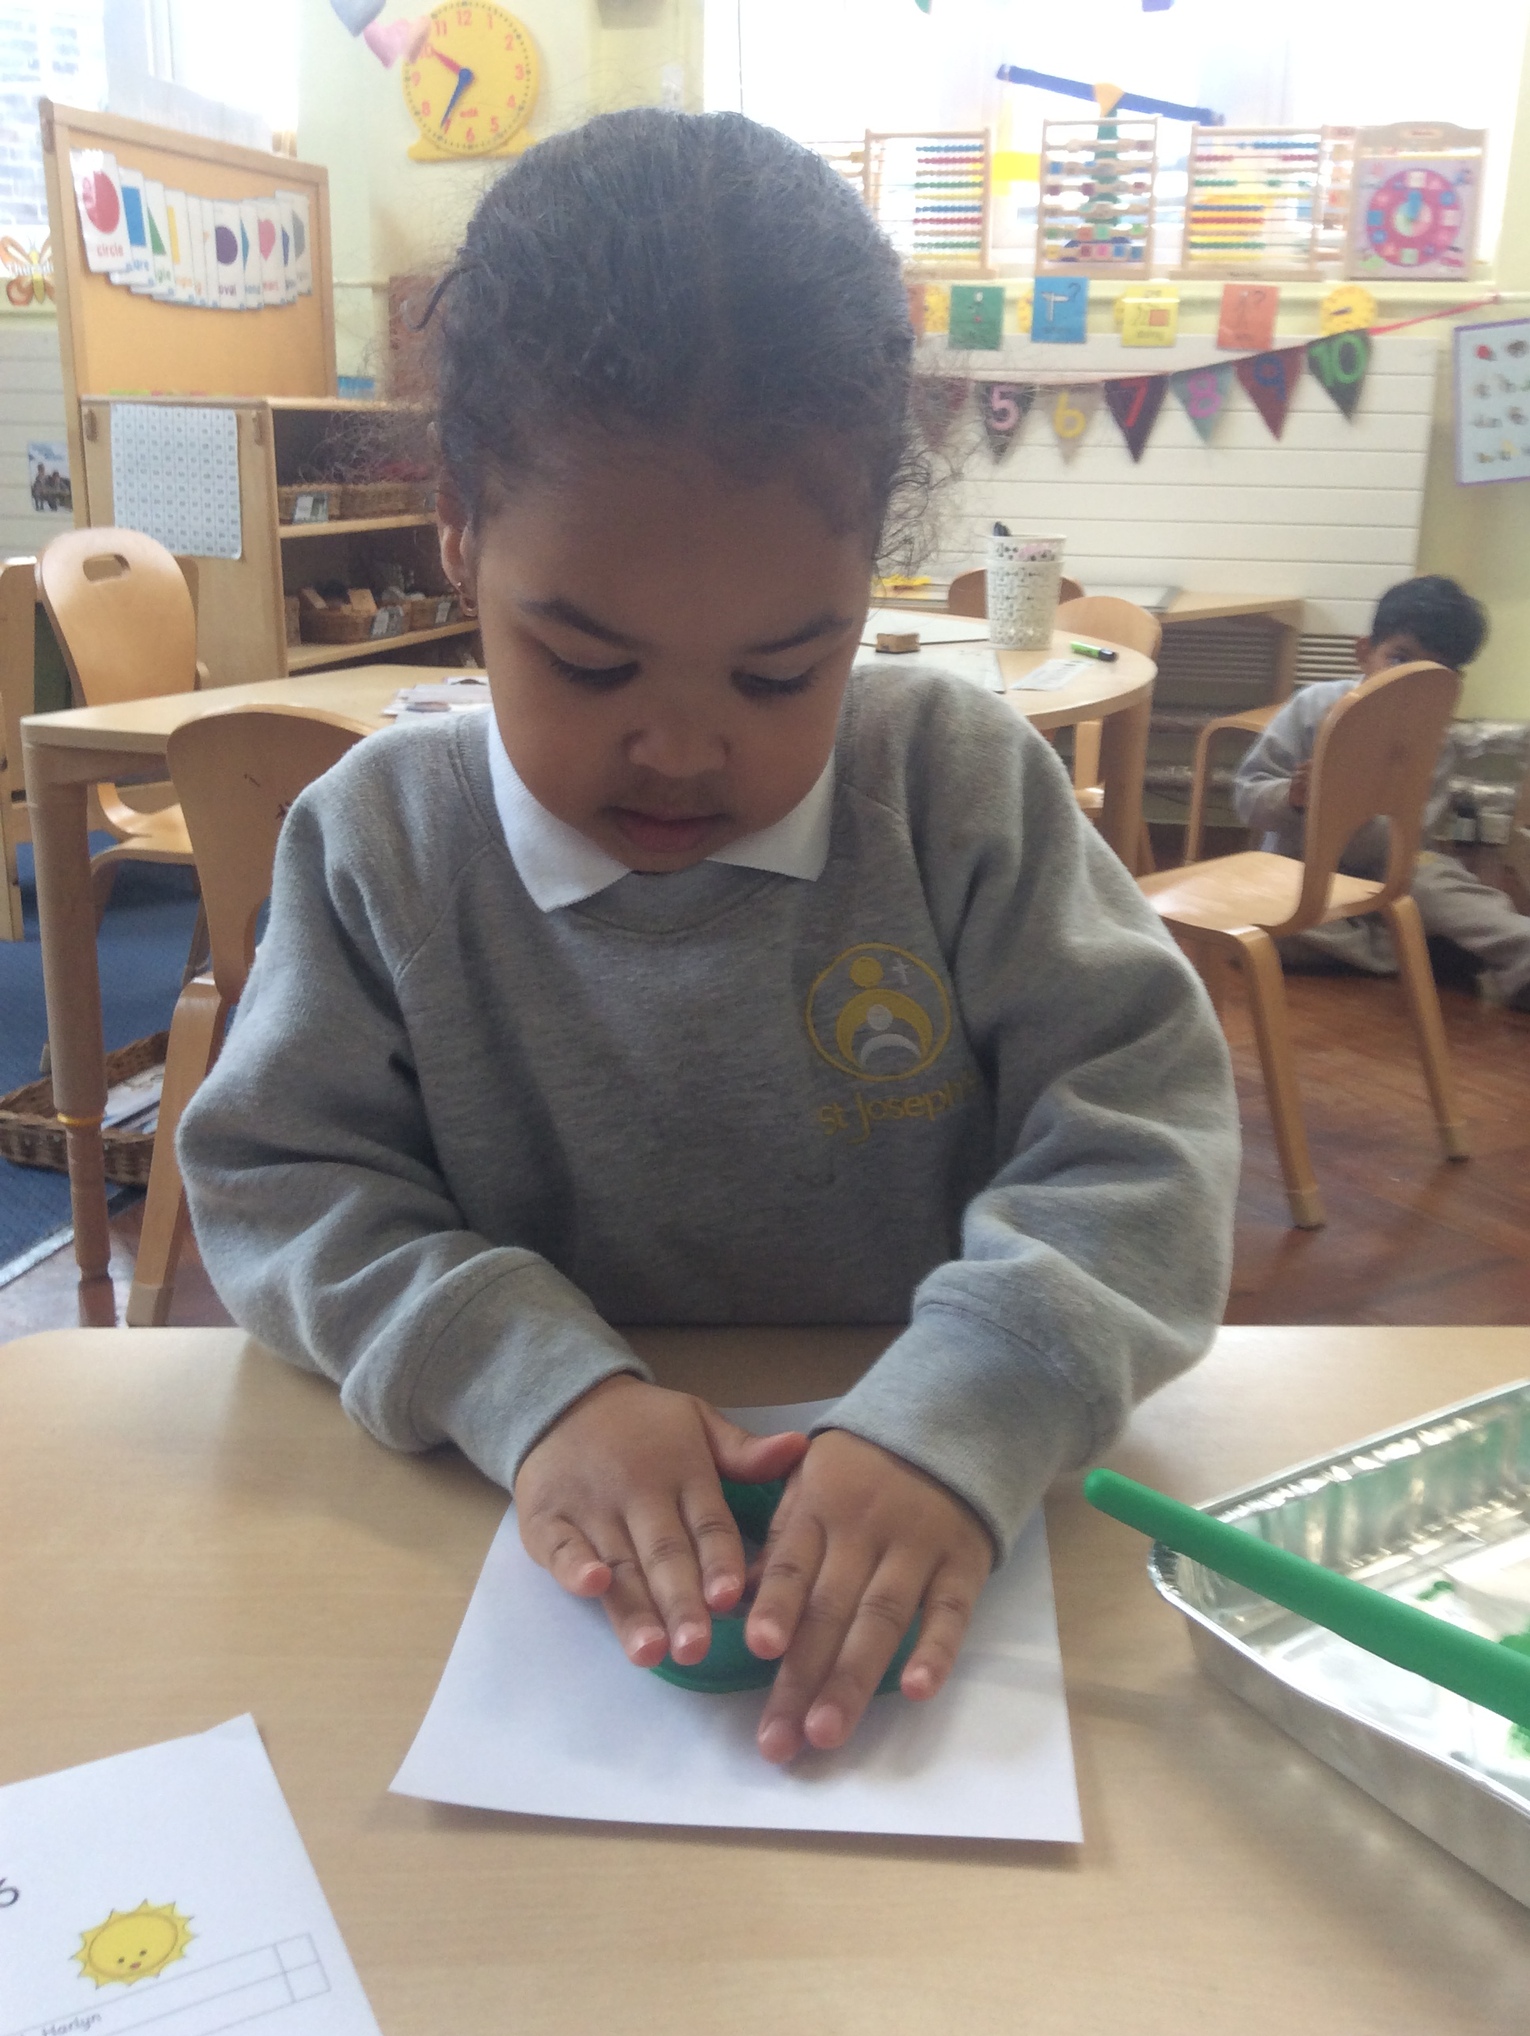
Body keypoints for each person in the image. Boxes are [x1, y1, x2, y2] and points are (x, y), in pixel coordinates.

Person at [179, 110, 1239, 1766]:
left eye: (779, 672)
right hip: (481, 1566)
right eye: (588, 663)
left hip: (949, 1525)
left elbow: (1146, 1144)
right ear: (457, 526)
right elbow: (282, 1181)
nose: (681, 751)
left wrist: (967, 1408)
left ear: (869, 571)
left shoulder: (953, 787)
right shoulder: (383, 839)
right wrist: (527, 1381)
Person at [1233, 575, 1530, 1010]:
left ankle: (1517, 955)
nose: (1407, 682)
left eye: (1434, 673)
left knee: (1443, 888)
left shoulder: (1433, 736)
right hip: (1298, 872)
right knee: (1253, 930)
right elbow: (1248, 797)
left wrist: (1352, 807)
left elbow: (1408, 840)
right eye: (1399, 658)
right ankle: (1413, 950)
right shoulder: (1313, 706)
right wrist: (1294, 798)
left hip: (1391, 875)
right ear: (1364, 652)